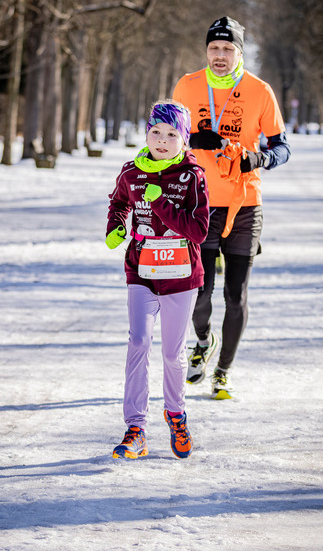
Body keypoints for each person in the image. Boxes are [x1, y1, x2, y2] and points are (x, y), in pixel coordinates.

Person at [173, 16, 291, 399]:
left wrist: (260, 159)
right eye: (214, 48)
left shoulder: (260, 91)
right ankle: (203, 341)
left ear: (240, 53)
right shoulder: (187, 86)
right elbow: (166, 139)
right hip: (199, 204)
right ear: (206, 50)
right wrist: (192, 139)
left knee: (235, 296)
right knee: (199, 292)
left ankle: (223, 371)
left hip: (245, 205)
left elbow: (282, 147)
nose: (220, 55)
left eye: (227, 48)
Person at [106, 100, 209, 459]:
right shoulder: (131, 172)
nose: (162, 141)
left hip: (181, 276)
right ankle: (135, 428)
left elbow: (199, 231)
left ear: (184, 139)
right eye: (155, 132)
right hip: (142, 271)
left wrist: (162, 203)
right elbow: (119, 203)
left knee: (172, 352)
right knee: (138, 341)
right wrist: (116, 226)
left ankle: (176, 415)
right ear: (146, 133)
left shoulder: (192, 175)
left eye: (171, 134)